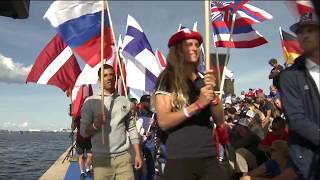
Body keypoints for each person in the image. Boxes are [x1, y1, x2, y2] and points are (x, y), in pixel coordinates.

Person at [154, 29, 228, 180]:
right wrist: (198, 105)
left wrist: (213, 96)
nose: (195, 48)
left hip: (209, 156)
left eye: (197, 44)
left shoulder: (204, 79)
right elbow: (163, 122)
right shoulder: (167, 78)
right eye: (189, 44)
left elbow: (220, 120)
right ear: (178, 50)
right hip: (180, 159)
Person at [80, 64, 143, 180]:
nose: (109, 78)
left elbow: (132, 129)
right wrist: (95, 125)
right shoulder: (90, 102)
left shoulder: (124, 101)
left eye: (111, 75)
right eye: (105, 75)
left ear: (115, 78)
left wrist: (138, 154)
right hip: (101, 160)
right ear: (99, 80)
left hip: (124, 158)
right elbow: (83, 132)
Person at [279, 12, 320, 180]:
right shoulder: (289, 75)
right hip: (310, 160)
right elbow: (296, 119)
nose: (305, 35)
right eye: (301, 32)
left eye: (311, 30)